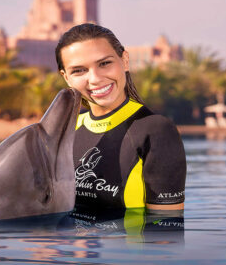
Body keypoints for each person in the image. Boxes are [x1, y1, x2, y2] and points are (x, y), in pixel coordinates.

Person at [55, 23, 186, 214]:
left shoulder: (156, 130)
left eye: (105, 63)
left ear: (124, 60)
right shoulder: (67, 128)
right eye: (79, 70)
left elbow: (167, 229)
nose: (95, 79)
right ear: (66, 77)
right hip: (73, 243)